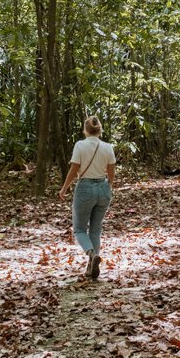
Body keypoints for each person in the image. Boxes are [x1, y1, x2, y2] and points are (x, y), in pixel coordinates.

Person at [59, 116, 116, 279]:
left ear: (85, 130)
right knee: (96, 229)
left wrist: (64, 189)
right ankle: (92, 266)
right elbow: (111, 171)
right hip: (103, 187)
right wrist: (108, 186)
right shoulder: (107, 147)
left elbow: (74, 169)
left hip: (85, 187)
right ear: (100, 130)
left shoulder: (80, 145)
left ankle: (91, 254)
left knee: (79, 229)